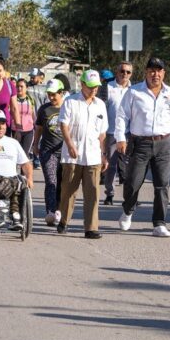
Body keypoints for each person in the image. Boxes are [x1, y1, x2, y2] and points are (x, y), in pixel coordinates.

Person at [115, 57, 170, 238]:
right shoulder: (134, 92)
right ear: (146, 73)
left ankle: (159, 223)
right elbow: (121, 116)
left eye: (159, 71)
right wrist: (120, 137)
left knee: (162, 185)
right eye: (151, 71)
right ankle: (128, 210)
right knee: (133, 182)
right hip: (140, 143)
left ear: (163, 73)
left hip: (164, 144)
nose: (155, 74)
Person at [56, 70, 108, 238]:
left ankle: (91, 228)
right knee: (68, 191)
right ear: (83, 85)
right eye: (91, 86)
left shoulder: (100, 105)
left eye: (96, 87)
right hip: (73, 155)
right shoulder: (70, 102)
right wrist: (70, 145)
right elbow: (63, 125)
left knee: (93, 193)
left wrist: (103, 154)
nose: (94, 90)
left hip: (93, 155)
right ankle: (64, 220)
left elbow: (102, 133)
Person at [33, 79, 66, 226]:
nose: (51, 97)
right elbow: (39, 129)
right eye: (49, 94)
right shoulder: (44, 109)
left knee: (63, 183)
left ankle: (59, 210)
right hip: (47, 151)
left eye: (54, 95)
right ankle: (51, 212)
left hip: (65, 152)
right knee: (51, 181)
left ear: (61, 93)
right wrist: (35, 144)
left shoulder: (68, 107)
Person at [103, 61, 133, 205]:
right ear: (117, 72)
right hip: (111, 133)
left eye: (128, 72)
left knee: (130, 166)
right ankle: (109, 194)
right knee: (111, 166)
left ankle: (129, 196)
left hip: (129, 134)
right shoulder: (108, 88)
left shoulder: (135, 90)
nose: (125, 74)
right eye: (122, 71)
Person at [12, 79, 37, 158]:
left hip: (28, 131)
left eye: (21, 87)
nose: (19, 88)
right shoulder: (12, 100)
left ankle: (24, 171)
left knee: (25, 156)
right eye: (17, 86)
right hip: (14, 130)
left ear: (27, 88)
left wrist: (37, 129)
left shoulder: (31, 100)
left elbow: (34, 115)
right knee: (14, 155)